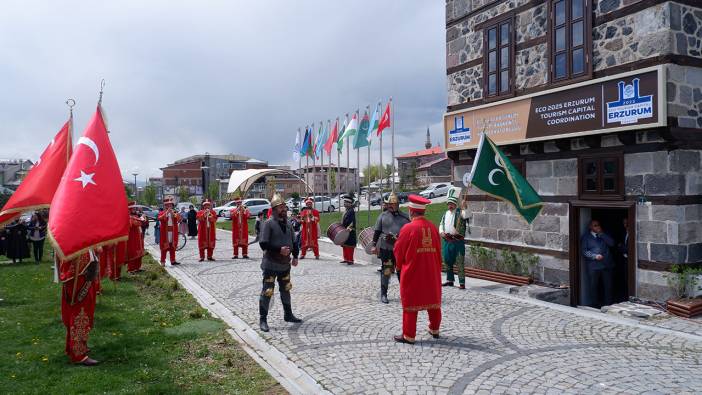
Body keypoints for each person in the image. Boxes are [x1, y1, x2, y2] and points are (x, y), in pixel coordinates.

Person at [392, 194, 442, 344]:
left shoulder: (408, 228)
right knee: (433, 301)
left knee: (410, 302)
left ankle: (409, 335)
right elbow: (439, 250)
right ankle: (435, 329)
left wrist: (399, 266)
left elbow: (398, 251)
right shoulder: (433, 227)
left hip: (413, 272)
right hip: (431, 271)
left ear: (412, 211)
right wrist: (437, 267)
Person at [258, 193, 302, 332]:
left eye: (284, 207)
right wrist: (279, 250)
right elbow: (263, 244)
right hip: (271, 263)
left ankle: (288, 315)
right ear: (275, 209)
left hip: (285, 265)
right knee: (268, 291)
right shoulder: (268, 224)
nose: (284, 209)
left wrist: (295, 256)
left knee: (286, 289)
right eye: (281, 207)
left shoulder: (288, 224)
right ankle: (263, 319)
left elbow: (294, 242)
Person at [60, 249, 100, 365]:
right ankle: (78, 354)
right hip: (79, 283)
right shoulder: (75, 244)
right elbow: (76, 264)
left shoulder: (78, 241)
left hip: (82, 280)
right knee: (80, 317)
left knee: (81, 316)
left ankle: (72, 347)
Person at [371, 192, 410, 304]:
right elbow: (377, 232)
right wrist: (374, 245)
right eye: (389, 204)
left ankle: (405, 295)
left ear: (398, 204)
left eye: (393, 204)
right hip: (386, 249)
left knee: (401, 272)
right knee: (386, 271)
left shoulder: (405, 218)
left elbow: (409, 234)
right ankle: (384, 294)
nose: (391, 206)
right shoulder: (382, 216)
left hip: (400, 250)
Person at [439, 187, 470, 289]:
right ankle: (450, 280)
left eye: (452, 204)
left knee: (460, 262)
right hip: (447, 240)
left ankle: (462, 283)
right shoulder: (445, 214)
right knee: (447, 261)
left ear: (455, 204)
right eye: (449, 204)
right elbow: (441, 224)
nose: (450, 206)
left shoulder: (460, 212)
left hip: (458, 241)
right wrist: (441, 232)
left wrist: (465, 207)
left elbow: (467, 215)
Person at [581, 219, 615, 308]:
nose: (597, 227)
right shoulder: (586, 237)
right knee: (593, 286)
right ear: (590, 227)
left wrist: (602, 234)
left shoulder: (604, 234)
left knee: (608, 286)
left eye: (598, 225)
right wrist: (594, 256)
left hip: (606, 265)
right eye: (595, 225)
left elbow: (612, 243)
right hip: (594, 266)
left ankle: (609, 304)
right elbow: (584, 251)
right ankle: (595, 304)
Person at [158, 198, 181, 266]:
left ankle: (173, 260)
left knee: (172, 247)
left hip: (173, 233)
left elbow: (179, 219)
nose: (169, 207)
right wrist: (167, 212)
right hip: (165, 233)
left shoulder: (174, 212)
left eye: (170, 205)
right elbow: (160, 218)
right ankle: (162, 261)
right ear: (165, 206)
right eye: (168, 205)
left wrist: (173, 214)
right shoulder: (162, 212)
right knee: (164, 248)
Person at [126, 202, 146, 274]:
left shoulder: (136, 216)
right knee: (133, 253)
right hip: (133, 238)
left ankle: (137, 267)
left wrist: (143, 218)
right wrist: (141, 219)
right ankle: (130, 269)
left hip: (139, 237)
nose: (135, 209)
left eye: (135, 208)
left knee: (139, 253)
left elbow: (144, 223)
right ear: (130, 209)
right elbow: (136, 223)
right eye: (133, 208)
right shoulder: (129, 217)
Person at [341, 194, 357, 265]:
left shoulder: (351, 211)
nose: (345, 204)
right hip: (345, 230)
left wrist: (348, 228)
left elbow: (352, 222)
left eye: (347, 202)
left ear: (350, 204)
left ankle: (350, 260)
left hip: (350, 230)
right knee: (345, 245)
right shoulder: (347, 210)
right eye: (344, 202)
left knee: (349, 246)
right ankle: (346, 258)